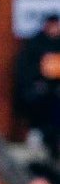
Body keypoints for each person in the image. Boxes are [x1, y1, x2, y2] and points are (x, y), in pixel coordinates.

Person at [13, 12, 60, 157]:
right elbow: (25, 70)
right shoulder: (35, 44)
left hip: (56, 89)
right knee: (37, 98)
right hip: (38, 87)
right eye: (52, 26)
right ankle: (37, 134)